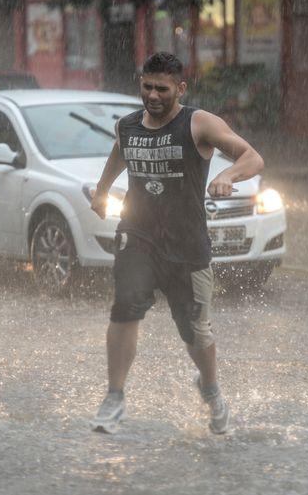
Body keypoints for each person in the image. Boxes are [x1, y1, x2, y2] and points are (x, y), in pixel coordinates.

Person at [88, 52, 264, 435]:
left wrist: (229, 175)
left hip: (187, 246)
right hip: (138, 236)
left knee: (195, 330)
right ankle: (114, 395)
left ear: (180, 89)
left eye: (161, 89)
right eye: (147, 86)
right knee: (126, 306)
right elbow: (121, 151)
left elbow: (253, 157)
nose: (152, 95)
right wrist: (102, 192)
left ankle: (211, 388)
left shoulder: (198, 123)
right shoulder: (128, 126)